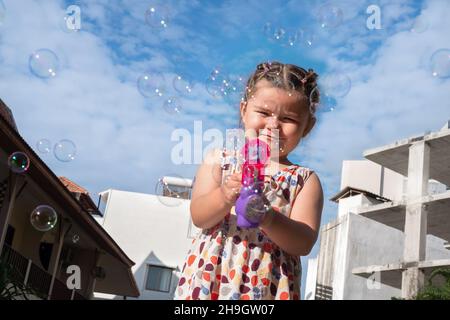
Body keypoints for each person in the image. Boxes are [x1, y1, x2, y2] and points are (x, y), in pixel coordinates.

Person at [174, 61, 324, 300]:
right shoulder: (219, 160)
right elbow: (199, 216)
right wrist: (224, 195)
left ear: (307, 126)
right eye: (264, 113)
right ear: (244, 110)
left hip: (266, 287)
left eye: (289, 119)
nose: (273, 125)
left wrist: (268, 217)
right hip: (211, 281)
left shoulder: (304, 180)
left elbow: (303, 243)